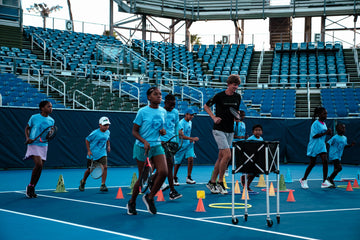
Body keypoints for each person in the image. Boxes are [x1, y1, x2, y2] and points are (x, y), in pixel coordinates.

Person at [127, 87, 167, 215]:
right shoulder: (142, 112)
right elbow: (134, 131)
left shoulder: (163, 111)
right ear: (149, 97)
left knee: (164, 172)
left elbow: (160, 128)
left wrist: (162, 131)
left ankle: (150, 197)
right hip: (142, 147)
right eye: (155, 94)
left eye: (160, 94)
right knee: (143, 179)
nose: (159, 96)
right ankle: (132, 202)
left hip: (156, 145)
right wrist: (144, 141)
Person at [204, 74, 241, 194]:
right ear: (228, 84)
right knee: (228, 155)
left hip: (230, 130)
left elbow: (235, 112)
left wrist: (237, 116)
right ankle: (220, 182)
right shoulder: (219, 96)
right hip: (218, 129)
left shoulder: (238, 97)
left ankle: (212, 182)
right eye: (234, 85)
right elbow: (206, 106)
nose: (235, 87)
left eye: (237, 85)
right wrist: (214, 117)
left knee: (221, 157)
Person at [24, 100, 55, 198]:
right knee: (38, 164)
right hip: (33, 144)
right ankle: (30, 187)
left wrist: (50, 134)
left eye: (51, 106)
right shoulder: (34, 117)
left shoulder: (51, 120)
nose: (51, 108)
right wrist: (28, 138)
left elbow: (51, 131)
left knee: (40, 167)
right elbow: (27, 128)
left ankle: (32, 187)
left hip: (44, 145)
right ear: (42, 108)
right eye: (48, 106)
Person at [300, 107, 333, 189]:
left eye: (326, 113)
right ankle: (303, 179)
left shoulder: (324, 124)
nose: (326, 115)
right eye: (324, 113)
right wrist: (326, 132)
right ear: (319, 114)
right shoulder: (315, 124)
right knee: (312, 163)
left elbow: (323, 134)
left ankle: (325, 181)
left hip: (321, 145)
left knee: (325, 161)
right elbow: (314, 135)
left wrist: (329, 133)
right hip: (314, 145)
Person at [79, 116, 111, 192]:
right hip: (93, 154)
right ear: (100, 125)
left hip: (103, 153)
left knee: (105, 167)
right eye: (104, 125)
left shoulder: (108, 132)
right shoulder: (95, 133)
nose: (106, 127)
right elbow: (87, 140)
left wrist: (108, 146)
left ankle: (103, 185)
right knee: (90, 170)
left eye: (107, 125)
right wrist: (89, 151)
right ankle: (83, 181)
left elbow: (107, 139)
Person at [160, 93, 183, 200]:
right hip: (161, 142)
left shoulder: (175, 112)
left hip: (172, 142)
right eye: (170, 104)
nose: (172, 106)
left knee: (168, 166)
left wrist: (177, 141)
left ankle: (169, 189)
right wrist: (159, 140)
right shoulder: (160, 111)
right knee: (167, 165)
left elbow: (176, 126)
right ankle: (172, 191)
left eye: (174, 104)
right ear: (165, 103)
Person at [173, 108, 199, 185]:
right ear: (186, 114)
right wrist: (192, 138)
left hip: (188, 144)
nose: (192, 116)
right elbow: (181, 136)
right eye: (190, 115)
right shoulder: (181, 123)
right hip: (180, 145)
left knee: (191, 159)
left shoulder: (190, 122)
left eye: (193, 115)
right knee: (178, 163)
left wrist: (190, 140)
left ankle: (188, 177)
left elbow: (187, 134)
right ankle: (174, 177)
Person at [326, 123, 355, 187]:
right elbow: (328, 143)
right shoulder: (335, 137)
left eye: (344, 128)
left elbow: (344, 146)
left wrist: (350, 145)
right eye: (342, 128)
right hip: (333, 154)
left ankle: (330, 182)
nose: (343, 129)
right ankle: (330, 179)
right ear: (337, 129)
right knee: (339, 168)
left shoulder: (345, 138)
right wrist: (324, 152)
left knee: (336, 168)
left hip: (339, 155)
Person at [241, 124, 264, 191]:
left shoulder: (261, 139)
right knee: (251, 173)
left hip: (257, 160)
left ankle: (247, 186)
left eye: (259, 130)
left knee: (254, 174)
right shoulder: (250, 139)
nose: (258, 132)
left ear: (262, 132)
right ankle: (244, 177)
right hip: (249, 159)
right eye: (256, 130)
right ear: (253, 132)